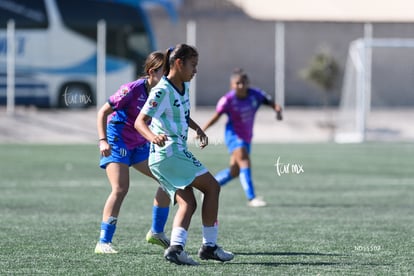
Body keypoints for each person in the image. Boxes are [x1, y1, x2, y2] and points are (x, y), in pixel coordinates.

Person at [135, 44, 234, 265]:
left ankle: (176, 248)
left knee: (188, 202)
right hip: (168, 154)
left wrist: (197, 128)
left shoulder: (182, 86)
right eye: (193, 65)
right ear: (178, 63)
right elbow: (139, 121)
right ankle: (209, 246)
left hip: (172, 154)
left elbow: (181, 114)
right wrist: (152, 136)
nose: (195, 70)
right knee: (212, 187)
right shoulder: (162, 90)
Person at [95, 51, 171, 254]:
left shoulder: (164, 91)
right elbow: (103, 111)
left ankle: (156, 232)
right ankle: (103, 242)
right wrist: (102, 141)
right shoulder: (132, 89)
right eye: (166, 71)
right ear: (152, 72)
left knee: (167, 179)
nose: (169, 76)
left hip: (139, 143)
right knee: (120, 188)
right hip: (117, 140)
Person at [202, 68, 283, 207]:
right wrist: (202, 130)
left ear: (248, 83)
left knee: (235, 171)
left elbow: (271, 103)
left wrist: (277, 110)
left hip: (247, 138)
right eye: (237, 83)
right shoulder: (227, 100)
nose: (241, 86)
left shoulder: (255, 94)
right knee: (244, 160)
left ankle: (208, 187)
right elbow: (216, 117)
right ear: (231, 85)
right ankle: (251, 198)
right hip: (233, 137)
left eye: (243, 83)